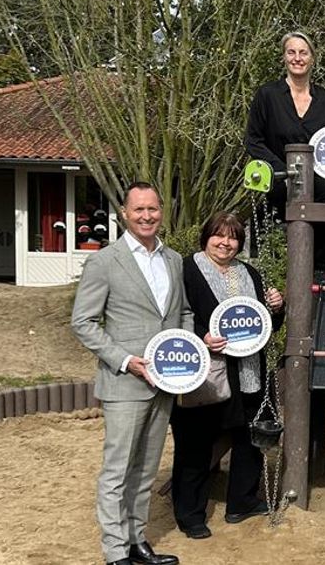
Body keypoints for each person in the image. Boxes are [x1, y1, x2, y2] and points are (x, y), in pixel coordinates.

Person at [71, 182, 193, 565]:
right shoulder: (105, 261)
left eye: (152, 209)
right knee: (118, 470)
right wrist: (125, 360)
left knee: (145, 469)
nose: (146, 216)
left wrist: (187, 349)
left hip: (164, 383)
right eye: (138, 209)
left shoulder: (174, 260)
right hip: (125, 383)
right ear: (124, 213)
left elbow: (183, 312)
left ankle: (136, 540)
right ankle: (115, 552)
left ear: (162, 212)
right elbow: (84, 322)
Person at [170, 212, 285, 539]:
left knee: (250, 438)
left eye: (233, 237)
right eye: (218, 235)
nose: (225, 243)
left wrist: (277, 307)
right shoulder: (186, 270)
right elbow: (174, 315)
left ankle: (241, 502)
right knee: (196, 443)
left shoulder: (249, 272)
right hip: (208, 372)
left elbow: (266, 325)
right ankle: (190, 514)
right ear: (206, 237)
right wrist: (201, 336)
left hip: (250, 372)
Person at [244, 31, 325, 283]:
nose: (297, 58)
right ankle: (288, 268)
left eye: (303, 53)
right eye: (291, 52)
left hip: (316, 175)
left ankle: (315, 265)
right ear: (284, 57)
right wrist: (281, 170)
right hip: (279, 175)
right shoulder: (267, 94)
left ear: (312, 58)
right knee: (284, 197)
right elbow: (253, 140)